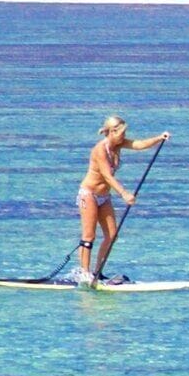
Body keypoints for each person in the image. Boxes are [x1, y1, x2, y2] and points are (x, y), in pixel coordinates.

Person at [76, 115, 171, 283]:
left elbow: (139, 144)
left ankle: (98, 273)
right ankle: (84, 273)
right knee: (89, 236)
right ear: (112, 132)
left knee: (112, 236)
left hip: (104, 196)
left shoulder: (118, 144)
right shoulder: (100, 150)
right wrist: (124, 194)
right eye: (122, 133)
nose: (124, 136)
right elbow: (107, 176)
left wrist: (159, 138)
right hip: (89, 195)